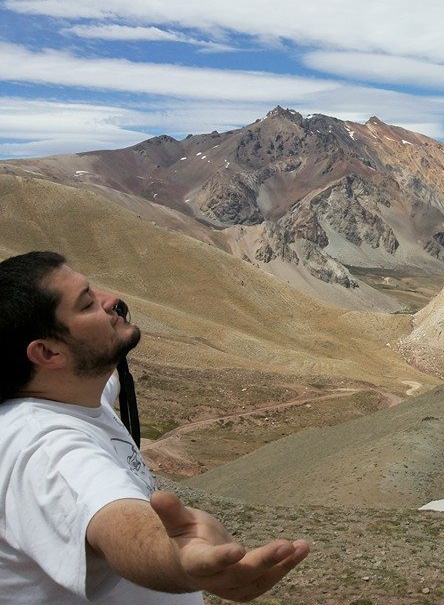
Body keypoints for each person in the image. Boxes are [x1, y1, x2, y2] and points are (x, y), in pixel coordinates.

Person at [0, 251, 310, 603]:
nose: (110, 300)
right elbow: (115, 520)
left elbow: (107, 372)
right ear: (49, 354)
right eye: (87, 305)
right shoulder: (46, 450)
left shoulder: (72, 393)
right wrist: (178, 557)